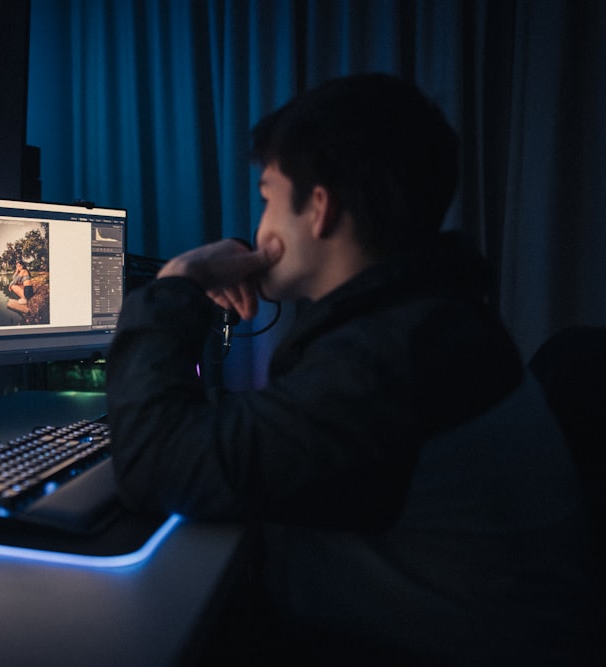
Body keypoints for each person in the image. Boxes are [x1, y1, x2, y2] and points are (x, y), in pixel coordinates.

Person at [105, 73, 601, 664]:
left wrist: (177, 284)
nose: (260, 226)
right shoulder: (430, 322)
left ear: (319, 208)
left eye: (267, 196)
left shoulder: (393, 357)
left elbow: (152, 466)